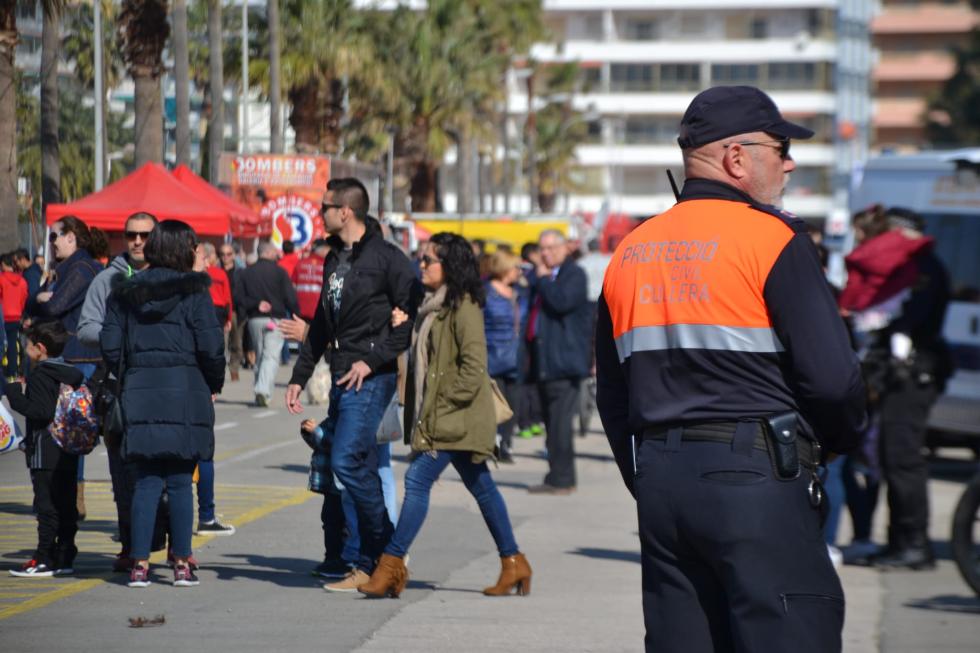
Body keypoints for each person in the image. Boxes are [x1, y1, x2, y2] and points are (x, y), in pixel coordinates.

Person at [595, 85, 867, 653]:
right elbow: (832, 379)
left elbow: (612, 392)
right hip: (757, 477)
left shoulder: (632, 250)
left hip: (664, 483)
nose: (788, 162)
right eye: (780, 147)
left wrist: (646, 476)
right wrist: (833, 446)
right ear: (737, 157)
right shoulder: (772, 239)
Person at [358, 233, 531, 599]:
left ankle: (390, 566)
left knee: (417, 482)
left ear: (449, 265)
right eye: (421, 259)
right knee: (482, 488)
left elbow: (473, 369)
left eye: (428, 260)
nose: (421, 265)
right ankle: (513, 562)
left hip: (454, 417)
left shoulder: (463, 305)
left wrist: (440, 408)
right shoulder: (432, 305)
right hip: (446, 416)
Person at [285, 177, 419, 593]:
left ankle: (383, 555)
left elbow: (408, 322)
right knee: (352, 468)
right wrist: (298, 376)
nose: (319, 213)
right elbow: (324, 325)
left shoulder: (388, 259)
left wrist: (372, 359)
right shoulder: (333, 260)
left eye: (325, 207)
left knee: (345, 462)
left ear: (345, 211)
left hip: (371, 379)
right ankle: (378, 560)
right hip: (341, 375)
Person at [101, 220, 225, 588]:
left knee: (145, 481)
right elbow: (211, 347)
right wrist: (212, 383)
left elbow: (110, 345)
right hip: (186, 389)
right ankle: (182, 563)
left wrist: (125, 376)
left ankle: (139, 563)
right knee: (181, 481)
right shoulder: (195, 293)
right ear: (182, 249)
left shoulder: (124, 291)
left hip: (139, 390)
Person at [858, 208, 951, 570]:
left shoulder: (922, 268)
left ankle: (914, 543)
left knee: (903, 459)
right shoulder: (912, 266)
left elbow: (909, 318)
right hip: (900, 372)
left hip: (913, 373)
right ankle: (900, 542)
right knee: (890, 457)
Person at [76, 212, 160, 572]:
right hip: (119, 388)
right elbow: (85, 329)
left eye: (144, 235)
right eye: (131, 235)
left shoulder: (169, 279)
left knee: (167, 473)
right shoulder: (107, 280)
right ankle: (130, 545)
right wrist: (120, 336)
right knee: (123, 474)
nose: (137, 241)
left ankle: (167, 543)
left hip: (162, 388)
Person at [32, 216, 104, 521]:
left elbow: (54, 306)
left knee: (73, 428)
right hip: (67, 357)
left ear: (72, 238)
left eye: (55, 237)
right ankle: (61, 494)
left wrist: (40, 299)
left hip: (79, 359)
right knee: (60, 427)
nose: (53, 243)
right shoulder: (66, 268)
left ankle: (73, 496)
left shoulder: (82, 268)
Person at [6, 322, 84, 577]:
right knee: (65, 504)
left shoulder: (42, 375)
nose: (27, 351)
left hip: (44, 448)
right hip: (68, 448)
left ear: (40, 348)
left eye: (28, 347)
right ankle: (65, 554)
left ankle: (43, 557)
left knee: (46, 505)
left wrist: (15, 392)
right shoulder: (70, 372)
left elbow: (40, 411)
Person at [526, 230, 591, 494]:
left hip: (564, 363)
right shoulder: (545, 278)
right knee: (551, 424)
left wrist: (542, 280)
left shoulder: (573, 274)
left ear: (565, 248)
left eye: (551, 248)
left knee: (561, 425)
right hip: (545, 362)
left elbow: (561, 302)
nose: (545, 253)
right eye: (542, 249)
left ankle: (563, 479)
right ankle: (555, 475)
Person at [238, 242, 299, 407]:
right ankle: (262, 390)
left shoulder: (246, 273)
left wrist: (255, 304)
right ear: (270, 253)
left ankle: (261, 390)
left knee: (260, 356)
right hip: (275, 319)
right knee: (271, 356)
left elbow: (239, 298)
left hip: (254, 319)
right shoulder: (280, 273)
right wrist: (297, 316)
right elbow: (290, 298)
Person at [482, 250, 524, 463]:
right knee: (494, 405)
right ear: (505, 268)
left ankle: (506, 443)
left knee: (512, 405)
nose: (519, 271)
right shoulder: (486, 292)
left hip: (516, 357)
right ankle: (493, 443)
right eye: (516, 267)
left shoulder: (519, 292)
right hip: (493, 355)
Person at [0, 253, 29, 379]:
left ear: (3, 265)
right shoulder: (22, 281)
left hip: (3, 316)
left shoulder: (1, 279)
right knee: (12, 344)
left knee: (2, 344)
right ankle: (12, 373)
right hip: (16, 316)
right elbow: (24, 298)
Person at [218, 243, 244, 381]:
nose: (225, 257)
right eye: (222, 254)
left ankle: (234, 369)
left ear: (233, 255)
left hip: (236, 311)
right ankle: (220, 371)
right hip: (221, 312)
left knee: (237, 343)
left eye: (228, 254)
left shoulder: (240, 271)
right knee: (221, 343)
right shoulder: (216, 271)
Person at [292, 239, 329, 323]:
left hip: (299, 312)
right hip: (318, 313)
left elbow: (293, 286)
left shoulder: (300, 264)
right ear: (323, 249)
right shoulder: (327, 265)